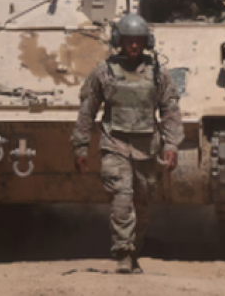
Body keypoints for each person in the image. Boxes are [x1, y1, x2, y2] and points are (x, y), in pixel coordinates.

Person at [71, 14, 184, 274]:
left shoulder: (158, 73)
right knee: (121, 197)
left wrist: (171, 144)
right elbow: (87, 110)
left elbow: (170, 110)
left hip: (147, 147)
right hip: (115, 143)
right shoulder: (104, 71)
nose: (134, 45)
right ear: (119, 41)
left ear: (146, 42)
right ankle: (123, 251)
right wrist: (80, 146)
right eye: (129, 40)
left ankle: (135, 249)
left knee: (142, 203)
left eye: (138, 41)